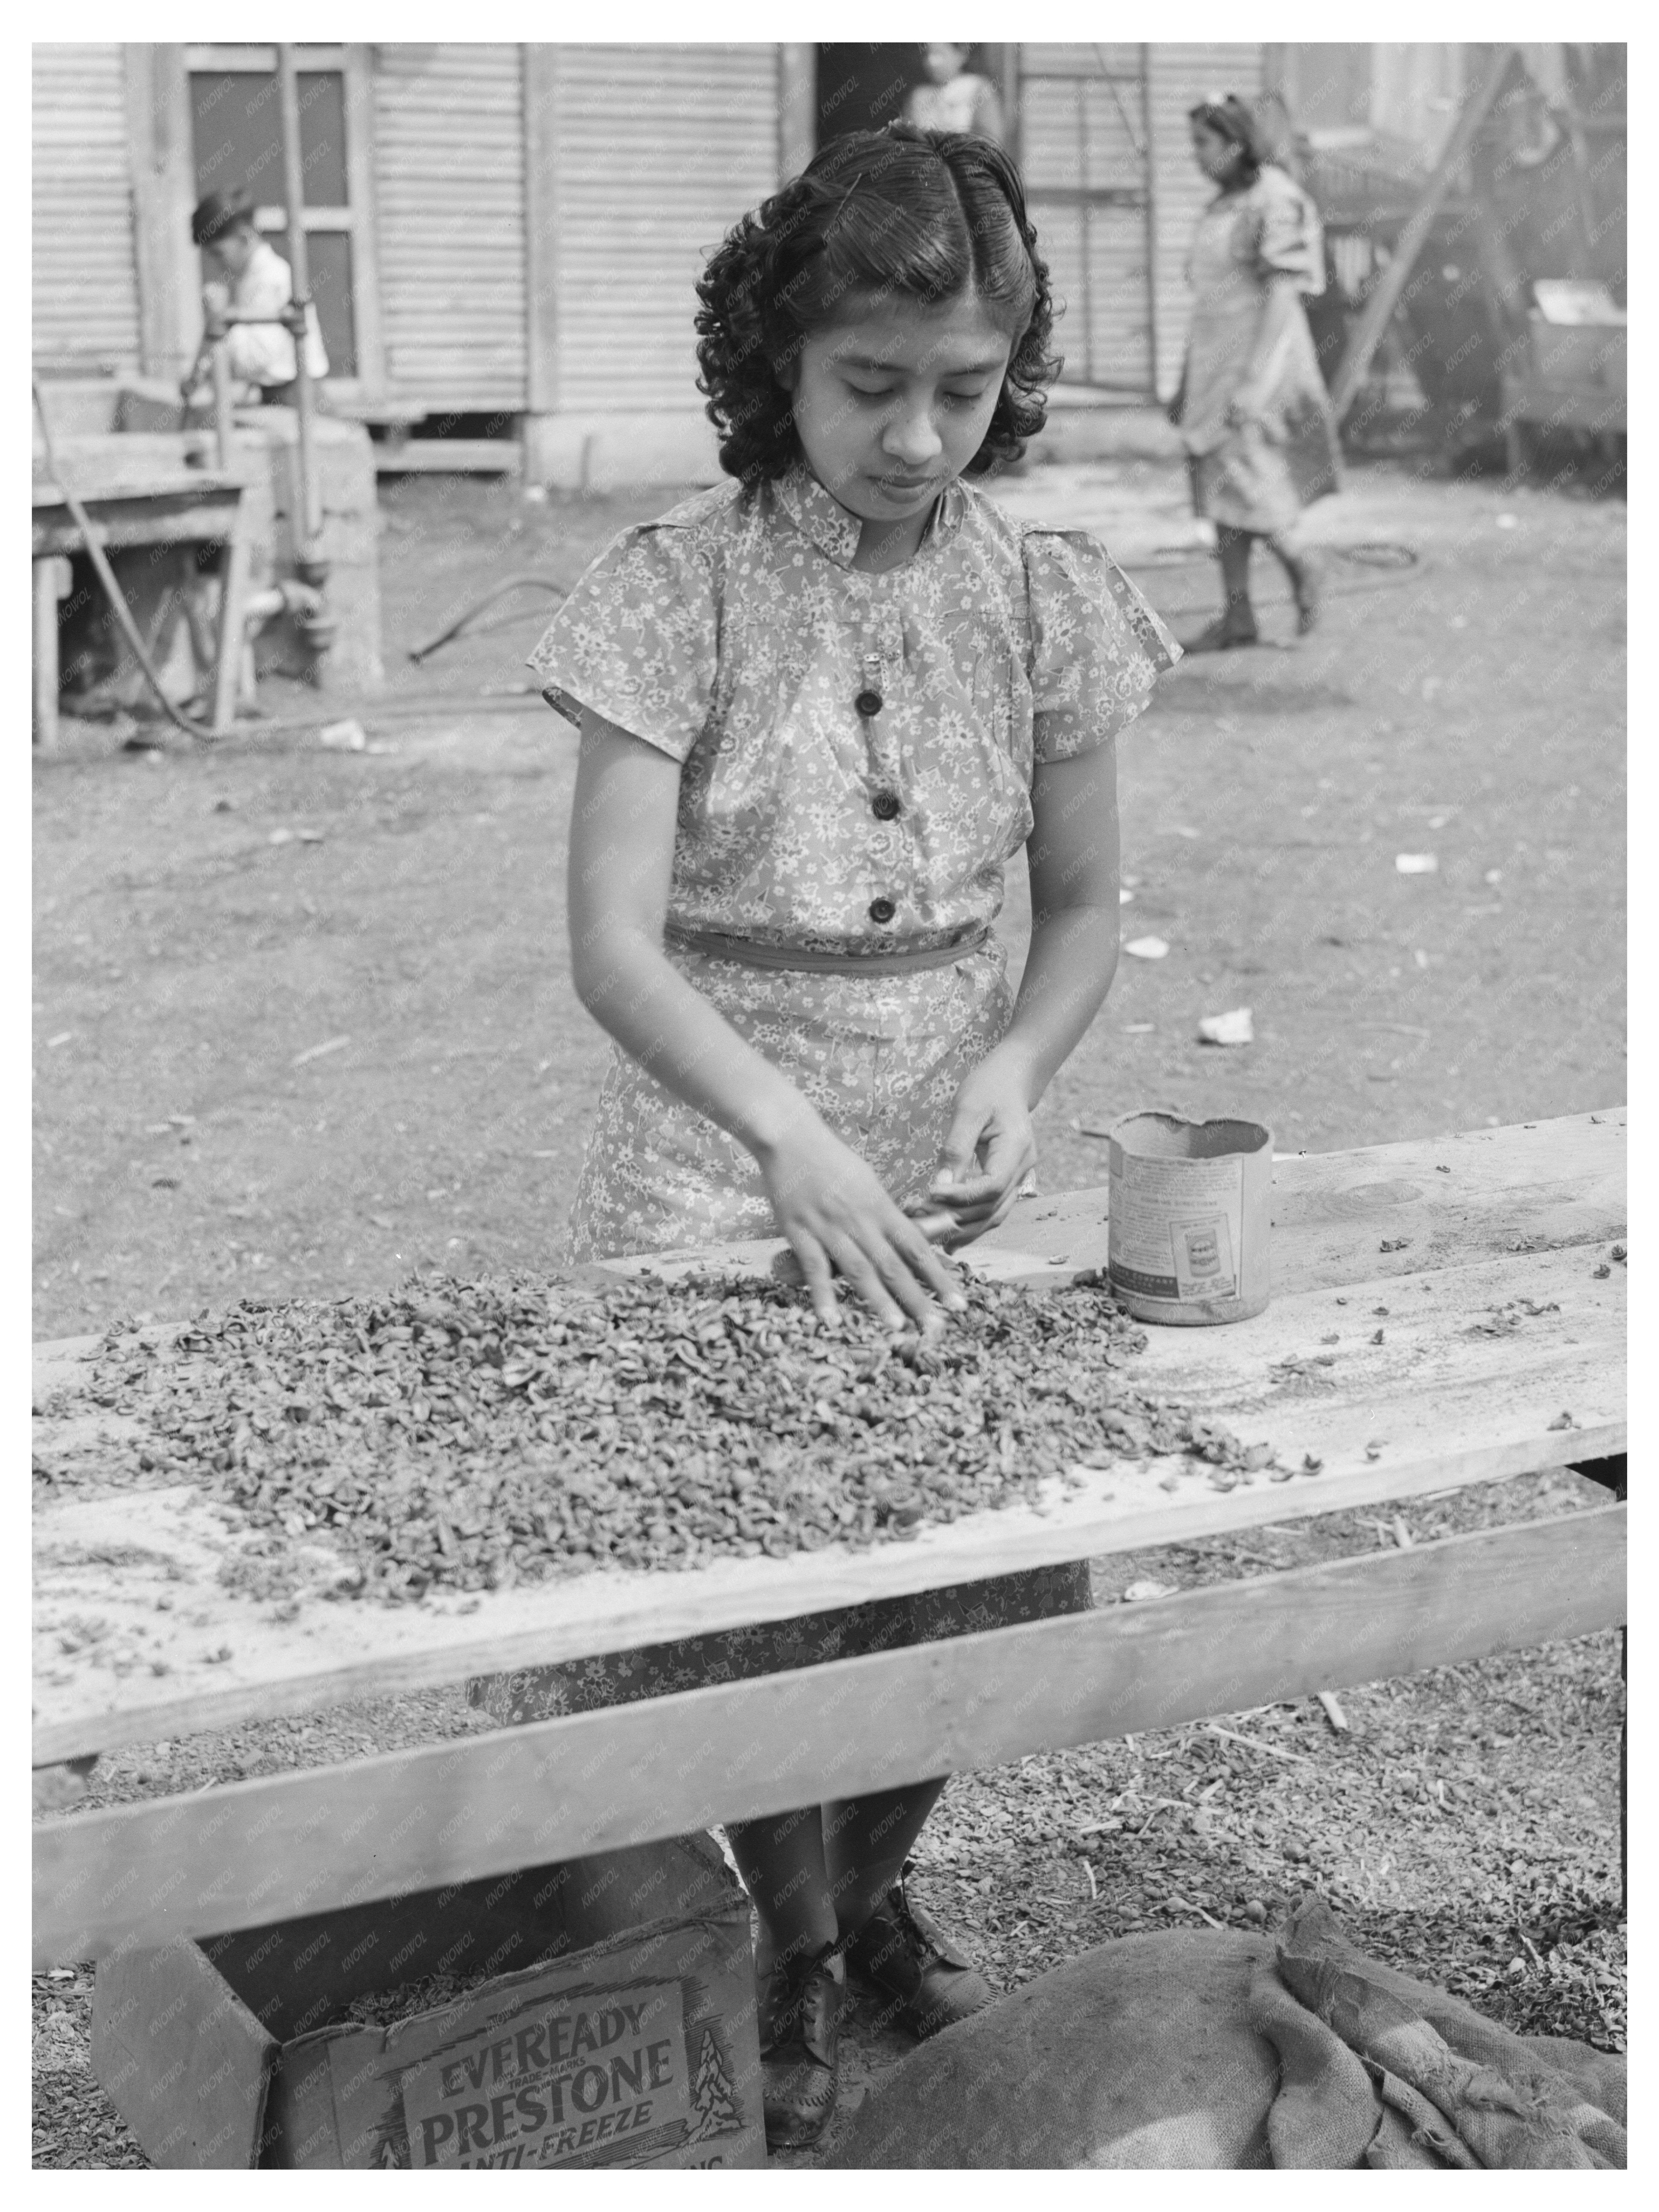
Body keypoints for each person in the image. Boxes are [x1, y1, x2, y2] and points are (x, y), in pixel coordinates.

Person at [489, 122, 1178, 2150]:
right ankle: (785, 1929)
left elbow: (1080, 912)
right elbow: (611, 948)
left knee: (979, 1576)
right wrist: (782, 1128)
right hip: (719, 1147)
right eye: (868, 385)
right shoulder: (669, 592)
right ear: (775, 360)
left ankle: (868, 1882)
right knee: (745, 1582)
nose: (911, 436)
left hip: (932, 1171)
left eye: (960, 391)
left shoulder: (1043, 596)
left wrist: (1016, 1069)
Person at [1170, 95, 1340, 650]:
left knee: (1252, 480)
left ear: (1235, 144)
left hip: (1260, 365)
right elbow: (1209, 302)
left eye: (1203, 143)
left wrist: (1251, 381)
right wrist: (1185, 379)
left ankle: (1301, 564)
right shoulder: (1222, 205)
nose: (1194, 156)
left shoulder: (1275, 199)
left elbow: (1282, 292)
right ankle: (1238, 614)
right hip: (1214, 363)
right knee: (1222, 486)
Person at [187, 185, 328, 407]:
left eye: (219, 254)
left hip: (296, 396)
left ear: (244, 238)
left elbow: (255, 360)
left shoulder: (272, 278)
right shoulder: (248, 279)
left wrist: (220, 314)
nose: (217, 264)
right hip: (276, 394)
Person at [903, 44, 1005, 143]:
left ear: (961, 55)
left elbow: (992, 141)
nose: (932, 62)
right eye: (928, 55)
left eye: (940, 54)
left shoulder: (977, 88)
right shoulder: (919, 95)